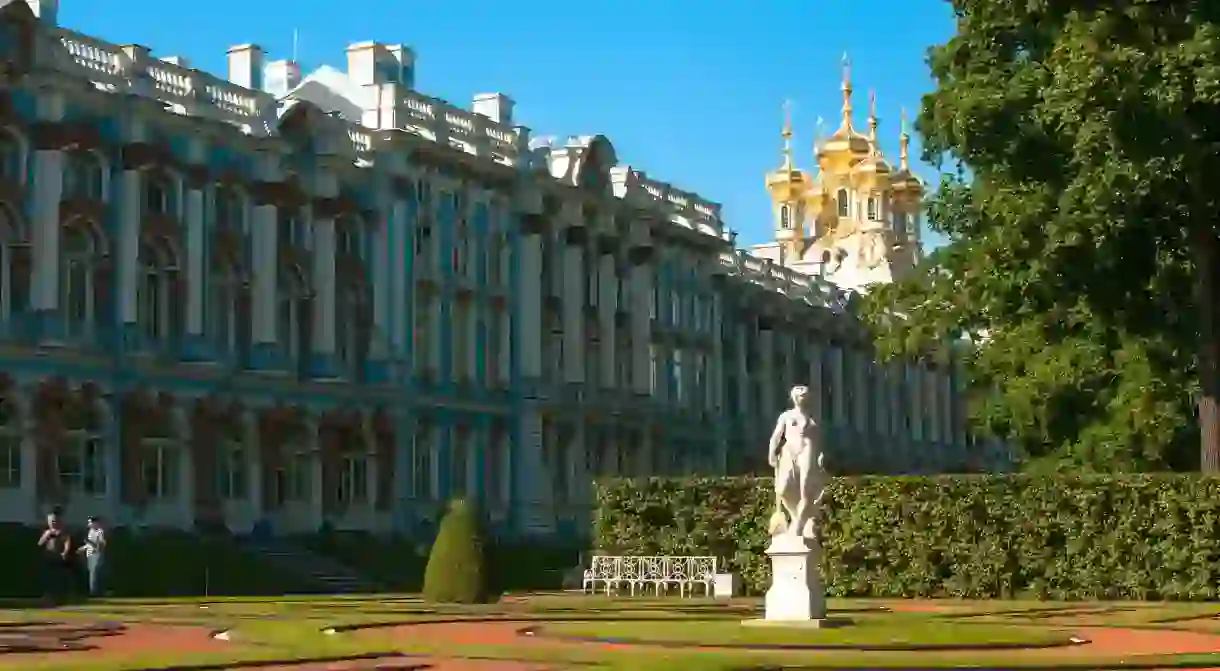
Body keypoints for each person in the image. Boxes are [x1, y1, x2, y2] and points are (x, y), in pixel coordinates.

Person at [766, 385, 827, 539]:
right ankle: (797, 518)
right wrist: (771, 452)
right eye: (799, 395)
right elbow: (776, 436)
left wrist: (820, 455)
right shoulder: (786, 416)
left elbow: (818, 439)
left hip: (807, 450)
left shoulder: (812, 418)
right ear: (793, 398)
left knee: (805, 490)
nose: (802, 397)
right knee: (782, 489)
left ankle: (799, 526)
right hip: (789, 450)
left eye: (805, 395)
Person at [36, 509, 73, 602]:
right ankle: (48, 594)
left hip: (58, 558)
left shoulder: (62, 532)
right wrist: (46, 537)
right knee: (48, 576)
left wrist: (65, 552)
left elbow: (67, 542)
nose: (53, 523)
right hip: (48, 556)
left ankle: (61, 595)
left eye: (54, 521)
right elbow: (40, 543)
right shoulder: (47, 532)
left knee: (59, 576)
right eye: (51, 521)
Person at [77, 516, 107, 597]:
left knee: (95, 574)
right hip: (90, 555)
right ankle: (93, 591)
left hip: (96, 555)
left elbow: (100, 545)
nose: (89, 524)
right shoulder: (90, 531)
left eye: (90, 522)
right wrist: (82, 549)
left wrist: (89, 542)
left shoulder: (100, 532)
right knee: (91, 574)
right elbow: (88, 544)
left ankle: (95, 592)